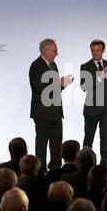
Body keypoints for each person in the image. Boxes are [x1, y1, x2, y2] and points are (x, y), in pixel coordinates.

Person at [29, 38, 73, 171]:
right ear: (46, 51)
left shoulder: (53, 65)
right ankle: (41, 173)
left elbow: (54, 89)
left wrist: (63, 85)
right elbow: (40, 88)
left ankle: (55, 172)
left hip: (56, 114)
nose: (57, 53)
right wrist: (59, 84)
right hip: (43, 114)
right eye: (55, 50)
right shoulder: (36, 66)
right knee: (41, 147)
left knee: (56, 147)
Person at [80, 39, 107, 165]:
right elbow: (84, 86)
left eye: (98, 50)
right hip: (91, 108)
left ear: (103, 50)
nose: (95, 53)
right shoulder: (85, 66)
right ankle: (85, 165)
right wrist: (100, 76)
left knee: (105, 139)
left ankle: (104, 166)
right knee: (88, 139)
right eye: (93, 50)